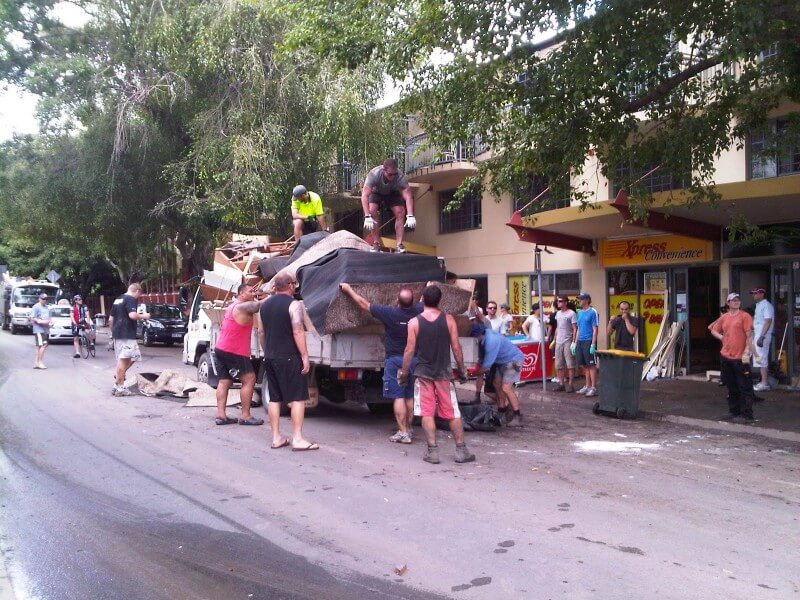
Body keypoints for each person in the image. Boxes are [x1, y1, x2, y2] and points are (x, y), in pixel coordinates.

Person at [399, 285, 474, 464]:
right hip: (443, 373)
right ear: (440, 300)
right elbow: (456, 347)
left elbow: (409, 350)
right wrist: (462, 370)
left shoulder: (414, 322)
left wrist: (403, 372)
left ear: (422, 300)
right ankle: (461, 450)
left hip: (423, 374)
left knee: (426, 412)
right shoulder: (448, 320)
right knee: (452, 412)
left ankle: (432, 451)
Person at [339, 283, 423, 443]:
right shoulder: (419, 311)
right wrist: (429, 286)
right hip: (413, 360)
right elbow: (427, 301)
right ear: (413, 301)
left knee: (398, 396)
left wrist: (349, 290)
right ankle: (409, 429)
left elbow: (364, 304)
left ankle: (403, 432)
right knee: (410, 397)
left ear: (397, 300)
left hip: (395, 361)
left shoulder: (390, 313)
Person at [258, 272, 319, 451]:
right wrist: (305, 356)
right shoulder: (294, 305)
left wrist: (267, 350)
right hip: (290, 357)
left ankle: (276, 437)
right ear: (291, 285)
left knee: (275, 399)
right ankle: (297, 439)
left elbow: (261, 333)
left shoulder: (264, 306)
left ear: (275, 287)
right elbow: (298, 331)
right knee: (298, 398)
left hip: (270, 356)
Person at [213, 284, 266, 426]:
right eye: (250, 291)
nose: (253, 293)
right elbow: (257, 307)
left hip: (221, 348)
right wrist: (275, 296)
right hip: (234, 350)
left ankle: (221, 416)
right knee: (249, 379)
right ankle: (245, 416)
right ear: (241, 294)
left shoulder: (232, 306)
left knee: (224, 381)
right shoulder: (242, 306)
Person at [710, 292, 756, 424]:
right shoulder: (724, 317)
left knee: (744, 386)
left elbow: (749, 336)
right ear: (728, 303)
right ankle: (734, 411)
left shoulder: (745, 316)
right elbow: (713, 329)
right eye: (733, 300)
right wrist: (721, 337)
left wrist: (747, 351)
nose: (736, 302)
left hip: (740, 357)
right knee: (731, 385)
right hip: (726, 355)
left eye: (738, 300)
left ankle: (747, 414)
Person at [472, 327, 525, 427]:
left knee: (506, 387)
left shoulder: (490, 342)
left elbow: (486, 366)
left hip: (514, 360)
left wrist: (471, 374)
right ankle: (502, 409)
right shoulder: (486, 333)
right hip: (503, 361)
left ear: (478, 336)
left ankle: (517, 415)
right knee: (496, 384)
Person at [360, 158, 415, 253]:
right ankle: (376, 243)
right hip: (376, 192)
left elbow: (408, 196)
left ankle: (399, 245)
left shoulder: (400, 176)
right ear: (383, 170)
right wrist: (367, 215)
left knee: (400, 212)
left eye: (394, 174)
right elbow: (364, 195)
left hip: (392, 193)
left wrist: (410, 215)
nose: (392, 177)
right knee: (372, 211)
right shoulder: (374, 174)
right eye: (390, 174)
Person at [108, 283, 150, 396]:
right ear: (137, 291)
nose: (138, 297)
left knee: (134, 356)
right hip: (126, 333)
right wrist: (144, 316)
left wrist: (113, 332)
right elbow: (132, 315)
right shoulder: (130, 299)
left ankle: (118, 380)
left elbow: (110, 319)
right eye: (139, 294)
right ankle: (120, 386)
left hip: (118, 334)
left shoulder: (118, 299)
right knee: (124, 359)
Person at [574, 292, 599, 397]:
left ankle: (593, 387)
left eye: (582, 299)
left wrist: (593, 344)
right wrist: (575, 343)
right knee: (584, 365)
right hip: (580, 340)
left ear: (587, 300)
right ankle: (587, 385)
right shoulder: (579, 312)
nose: (580, 301)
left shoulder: (593, 312)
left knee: (591, 365)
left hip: (589, 340)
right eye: (579, 299)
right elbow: (578, 328)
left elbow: (595, 329)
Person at [552, 294, 578, 393]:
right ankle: (561, 384)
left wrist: (574, 341)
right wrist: (554, 340)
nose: (558, 303)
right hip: (559, 341)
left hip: (568, 340)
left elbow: (575, 328)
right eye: (558, 301)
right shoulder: (558, 314)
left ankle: (571, 384)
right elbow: (558, 327)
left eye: (561, 301)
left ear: (566, 302)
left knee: (570, 364)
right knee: (559, 364)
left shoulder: (571, 313)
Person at [750, 287, 774, 392]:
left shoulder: (766, 305)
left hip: (762, 335)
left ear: (762, 294)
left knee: (762, 358)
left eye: (756, 293)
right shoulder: (758, 305)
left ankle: (764, 383)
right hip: (758, 333)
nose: (753, 295)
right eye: (753, 293)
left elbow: (768, 320)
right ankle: (762, 381)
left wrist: (762, 336)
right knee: (758, 358)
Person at [29, 292, 52, 369]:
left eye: (46, 299)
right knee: (43, 345)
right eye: (43, 299)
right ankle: (39, 362)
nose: (44, 300)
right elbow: (32, 317)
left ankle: (36, 363)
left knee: (40, 346)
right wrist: (39, 321)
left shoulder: (47, 307)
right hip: (39, 329)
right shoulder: (36, 307)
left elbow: (49, 318)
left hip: (46, 329)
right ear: (39, 299)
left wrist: (50, 323)